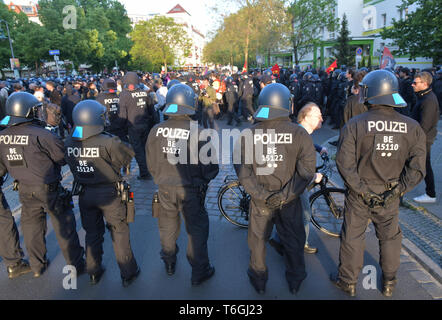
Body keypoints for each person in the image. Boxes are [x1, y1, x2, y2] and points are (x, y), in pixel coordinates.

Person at [331, 70, 426, 297]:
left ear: (369, 94)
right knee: (390, 237)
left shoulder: (355, 124)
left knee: (353, 236)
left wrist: (362, 190)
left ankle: (349, 282)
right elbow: (418, 168)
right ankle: (389, 282)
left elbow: (344, 164)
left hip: (359, 193)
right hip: (390, 193)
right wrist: (399, 190)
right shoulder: (412, 127)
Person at [234, 83, 316, 294]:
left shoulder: (247, 135)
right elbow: (306, 173)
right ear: (287, 104)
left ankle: (259, 281)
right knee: (293, 240)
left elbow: (244, 173)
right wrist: (283, 197)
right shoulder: (299, 134)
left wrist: (263, 195)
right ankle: (295, 280)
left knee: (258, 242)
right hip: (290, 200)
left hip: (261, 200)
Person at [0, 92, 85, 278]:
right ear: (28, 111)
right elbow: (62, 158)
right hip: (49, 189)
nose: (39, 112)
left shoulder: (2, 136)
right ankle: (76, 264)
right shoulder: (42, 134)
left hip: (24, 189)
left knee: (32, 229)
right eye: (36, 110)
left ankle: (37, 266)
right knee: (65, 226)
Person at [146, 84, 219, 286]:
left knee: (167, 228)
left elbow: (150, 163)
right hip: (191, 192)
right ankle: (199, 271)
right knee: (196, 230)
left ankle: (169, 263)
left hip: (165, 190)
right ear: (190, 105)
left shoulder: (155, 131)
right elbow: (212, 169)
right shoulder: (200, 132)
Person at [64, 100, 140, 287]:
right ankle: (128, 272)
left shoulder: (68, 141)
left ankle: (93, 271)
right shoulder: (109, 141)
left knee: (92, 233)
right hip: (109, 194)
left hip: (85, 193)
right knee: (119, 231)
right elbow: (128, 156)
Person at [268, 102, 327, 256]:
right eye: (318, 115)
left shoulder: (300, 131)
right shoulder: (299, 133)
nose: (322, 118)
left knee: (291, 213)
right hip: (295, 183)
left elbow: (305, 144)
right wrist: (313, 176)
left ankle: (278, 238)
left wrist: (319, 148)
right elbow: (293, 163)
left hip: (293, 182)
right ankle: (300, 243)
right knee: (305, 214)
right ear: (306, 117)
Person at [410, 71, 439, 203]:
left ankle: (431, 194)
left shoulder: (429, 100)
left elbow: (424, 125)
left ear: (425, 83)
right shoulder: (423, 97)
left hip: (424, 139)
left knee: (425, 165)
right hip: (421, 137)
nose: (412, 85)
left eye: (415, 83)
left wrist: (413, 140)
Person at [119, 72, 155, 180]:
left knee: (138, 151)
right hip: (145, 125)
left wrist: (123, 129)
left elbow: (122, 115)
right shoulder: (144, 93)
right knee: (145, 149)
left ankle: (144, 173)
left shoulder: (124, 95)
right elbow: (151, 110)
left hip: (133, 126)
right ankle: (149, 169)